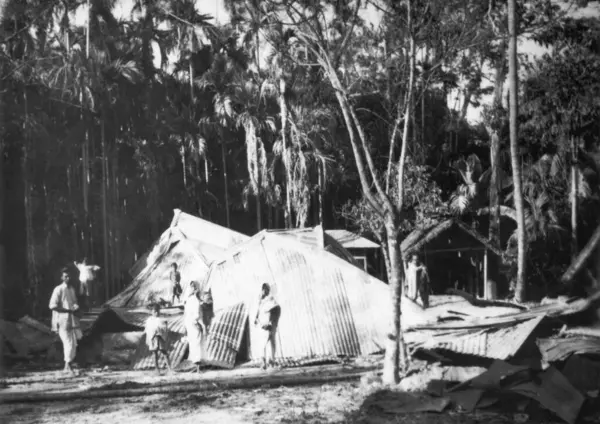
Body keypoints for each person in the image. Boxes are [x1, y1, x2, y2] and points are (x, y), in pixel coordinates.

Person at [49, 266, 83, 375]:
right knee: (68, 343)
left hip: (72, 321)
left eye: (69, 276)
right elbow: (52, 306)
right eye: (65, 276)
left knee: (73, 343)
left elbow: (74, 302)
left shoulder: (72, 289)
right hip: (62, 321)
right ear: (62, 278)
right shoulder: (58, 289)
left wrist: (75, 307)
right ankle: (67, 365)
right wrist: (66, 311)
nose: (68, 278)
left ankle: (68, 365)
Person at [254, 283, 281, 370]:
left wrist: (270, 322)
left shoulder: (269, 299)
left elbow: (275, 309)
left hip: (271, 318)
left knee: (270, 338)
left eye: (267, 291)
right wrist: (256, 317)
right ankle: (265, 361)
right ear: (263, 290)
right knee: (266, 340)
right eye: (265, 290)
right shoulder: (260, 299)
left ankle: (271, 360)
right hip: (267, 319)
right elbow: (258, 309)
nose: (266, 292)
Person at [183, 281, 206, 373]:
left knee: (193, 344)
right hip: (193, 323)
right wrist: (199, 324)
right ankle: (197, 368)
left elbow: (187, 313)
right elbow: (196, 315)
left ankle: (196, 366)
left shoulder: (189, 299)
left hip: (189, 323)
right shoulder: (194, 300)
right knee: (197, 344)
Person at [144, 303, 173, 375]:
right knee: (154, 353)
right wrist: (150, 335)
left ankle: (169, 369)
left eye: (157, 311)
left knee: (164, 352)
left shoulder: (161, 319)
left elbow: (165, 328)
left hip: (160, 337)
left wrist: (160, 329)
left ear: (159, 311)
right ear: (152, 312)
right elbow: (147, 329)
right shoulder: (149, 320)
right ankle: (157, 369)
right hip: (153, 337)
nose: (156, 313)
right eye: (154, 311)